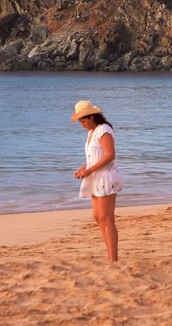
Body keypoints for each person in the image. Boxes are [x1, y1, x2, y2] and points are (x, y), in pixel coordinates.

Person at [71, 100, 123, 262]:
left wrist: (89, 170)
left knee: (107, 218)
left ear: (93, 116)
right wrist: (83, 168)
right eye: (80, 122)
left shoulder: (104, 130)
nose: (83, 125)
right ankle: (109, 255)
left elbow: (109, 155)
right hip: (95, 177)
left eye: (84, 120)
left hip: (106, 177)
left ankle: (113, 259)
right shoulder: (91, 132)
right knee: (98, 217)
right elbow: (93, 157)